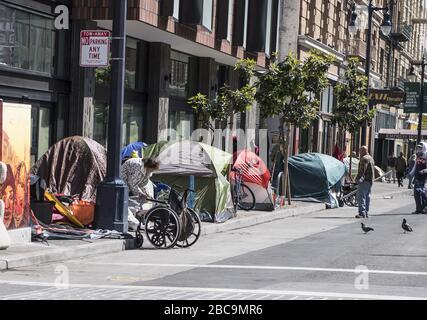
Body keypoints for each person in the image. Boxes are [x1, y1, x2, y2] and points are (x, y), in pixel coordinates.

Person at [120, 157, 160, 230]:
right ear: (149, 166)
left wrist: (147, 194)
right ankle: (134, 223)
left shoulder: (145, 170)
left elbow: (143, 183)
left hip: (127, 187)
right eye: (151, 170)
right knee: (124, 205)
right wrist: (141, 193)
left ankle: (137, 214)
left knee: (144, 200)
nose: (152, 171)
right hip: (121, 185)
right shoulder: (137, 165)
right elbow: (132, 183)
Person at [355, 146, 375, 219]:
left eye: (360, 151)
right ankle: (366, 212)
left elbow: (362, 170)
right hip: (370, 180)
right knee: (367, 196)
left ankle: (362, 212)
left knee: (361, 196)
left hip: (364, 180)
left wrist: (357, 179)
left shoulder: (364, 159)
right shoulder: (371, 158)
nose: (359, 153)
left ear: (363, 151)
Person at [409, 143, 427, 214]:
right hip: (417, 177)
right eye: (418, 148)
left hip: (423, 177)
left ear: (424, 147)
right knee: (416, 193)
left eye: (420, 147)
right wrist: (411, 173)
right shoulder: (418, 156)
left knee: (422, 193)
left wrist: (424, 171)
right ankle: (419, 209)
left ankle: (423, 208)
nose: (419, 149)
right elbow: (415, 166)